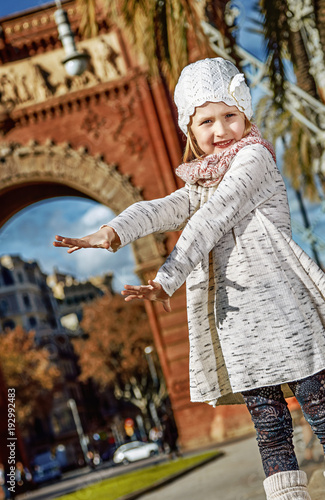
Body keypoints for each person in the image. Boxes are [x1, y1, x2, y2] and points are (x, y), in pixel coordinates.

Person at [54, 57, 325, 499]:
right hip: (238, 324)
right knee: (271, 431)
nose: (220, 131)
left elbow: (212, 220)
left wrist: (167, 278)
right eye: (206, 122)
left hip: (285, 311)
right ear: (190, 130)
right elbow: (161, 208)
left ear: (245, 115)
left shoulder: (253, 158)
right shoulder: (202, 182)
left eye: (229, 116)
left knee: (320, 408)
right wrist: (112, 232)